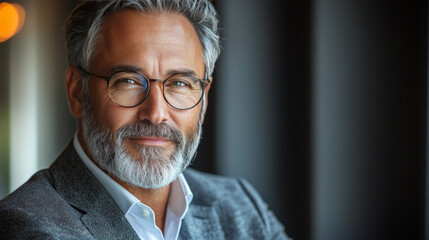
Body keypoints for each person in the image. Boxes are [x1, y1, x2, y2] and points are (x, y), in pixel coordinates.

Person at [0, 0, 290, 239]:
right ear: (77, 92)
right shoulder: (25, 224)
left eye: (179, 84)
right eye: (127, 81)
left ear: (203, 101)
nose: (156, 113)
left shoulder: (239, 204)